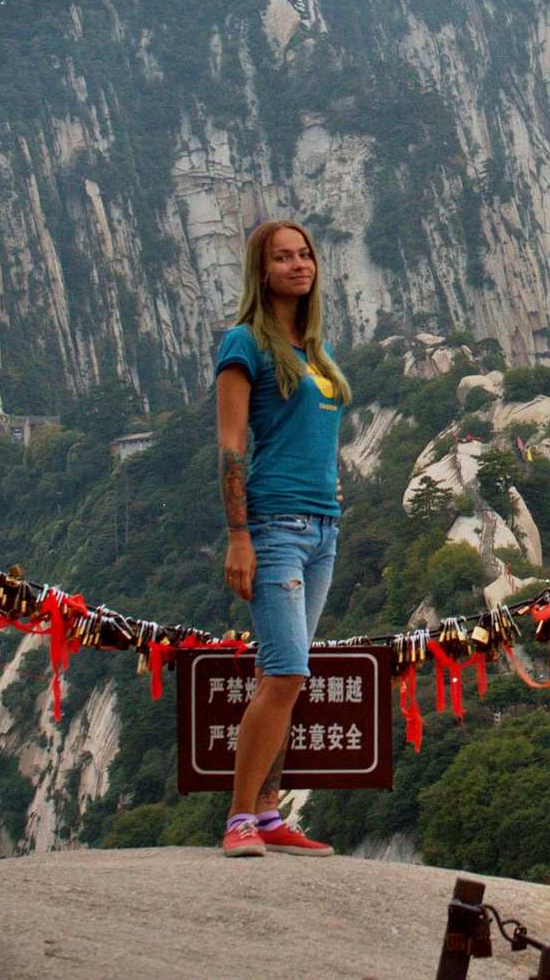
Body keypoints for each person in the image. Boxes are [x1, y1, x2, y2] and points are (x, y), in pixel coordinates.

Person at [214, 219, 351, 857]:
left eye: (306, 255)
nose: (299, 265)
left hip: (323, 529)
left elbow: (313, 441)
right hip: (273, 530)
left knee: (289, 677)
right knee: (286, 672)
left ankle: (269, 814)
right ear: (261, 271)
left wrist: (332, 489)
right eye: (284, 257)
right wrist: (238, 535)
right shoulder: (244, 345)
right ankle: (240, 817)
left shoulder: (316, 354)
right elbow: (232, 446)